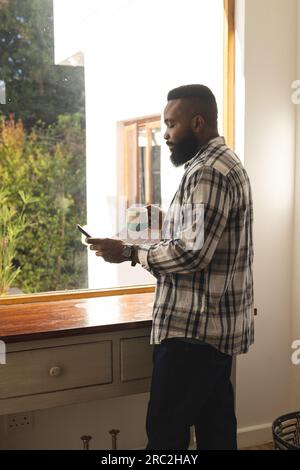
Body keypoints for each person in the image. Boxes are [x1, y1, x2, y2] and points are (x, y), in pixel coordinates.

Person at [86, 84, 254, 450]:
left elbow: (192, 255)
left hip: (191, 334)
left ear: (197, 122)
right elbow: (201, 236)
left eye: (170, 124)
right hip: (214, 332)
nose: (164, 135)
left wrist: (131, 253)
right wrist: (156, 222)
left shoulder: (207, 171)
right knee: (216, 432)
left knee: (165, 437)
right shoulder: (222, 163)